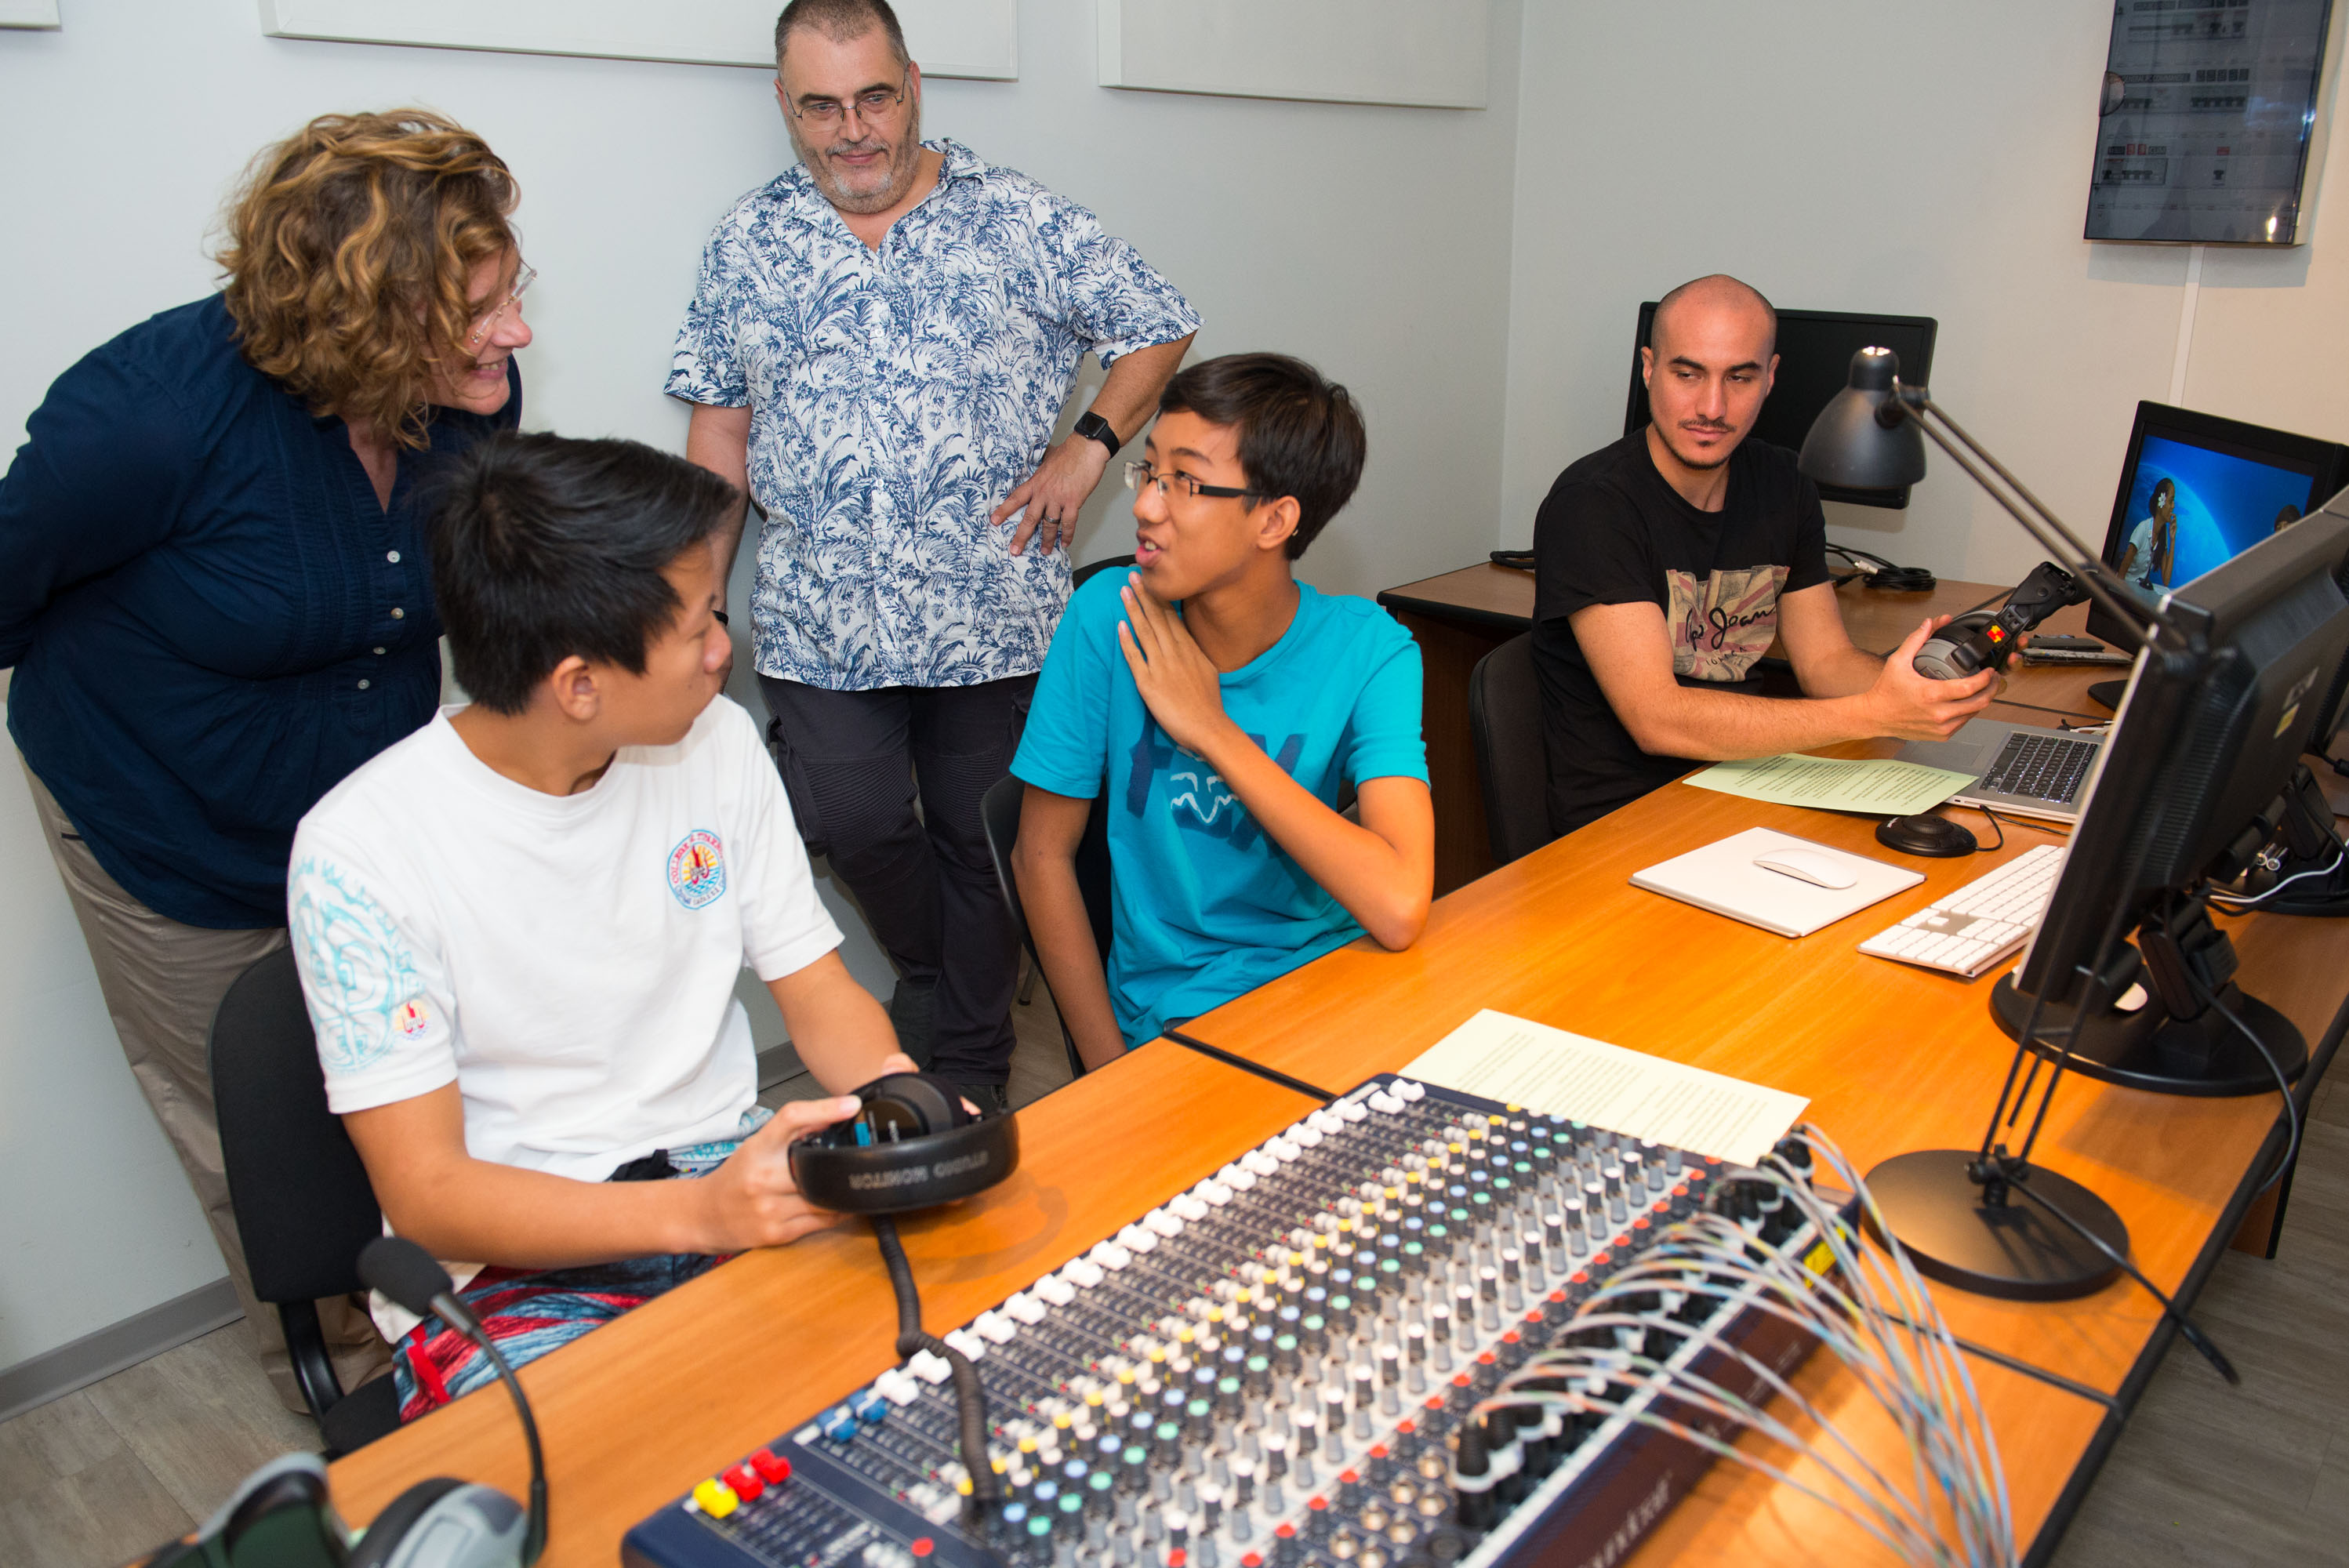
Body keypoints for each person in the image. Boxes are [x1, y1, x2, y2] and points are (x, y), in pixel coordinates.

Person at [0, 109, 533, 1410]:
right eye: (478, 308)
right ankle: (363, 1391)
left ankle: (481, 1334)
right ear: (368, 314)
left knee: (424, 1080)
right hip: (166, 833)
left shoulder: (467, 396)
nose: (514, 334)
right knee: (264, 1133)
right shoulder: (140, 421)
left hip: (364, 824)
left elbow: (480, 575)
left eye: (514, 292)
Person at [288, 434, 915, 1420]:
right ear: (579, 684)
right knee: (632, 1463)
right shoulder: (360, 850)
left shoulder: (715, 740)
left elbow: (818, 991)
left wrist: (897, 1099)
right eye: (701, 626)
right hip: (512, 1260)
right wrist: (698, 1216)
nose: (726, 649)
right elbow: (428, 1192)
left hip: (726, 1167)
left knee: (937, 1357)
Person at [668, 0, 1200, 1109]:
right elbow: (718, 429)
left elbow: (1159, 319)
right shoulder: (748, 240)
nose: (851, 129)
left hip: (994, 610)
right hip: (821, 618)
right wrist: (701, 603)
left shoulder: (1016, 216)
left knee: (983, 843)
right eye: (821, 105)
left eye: (873, 97)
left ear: (913, 85)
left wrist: (1088, 450)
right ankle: (940, 971)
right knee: (847, 817)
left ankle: (967, 1064)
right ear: (786, 107)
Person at [1009, 354, 1433, 1067]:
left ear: (1275, 520)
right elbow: (1040, 855)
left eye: (1187, 483)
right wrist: (1108, 1077)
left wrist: (1212, 729)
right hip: (1186, 1019)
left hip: (1351, 990)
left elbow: (1396, 908)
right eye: (1148, 472)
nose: (1146, 506)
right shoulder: (1103, 622)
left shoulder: (1371, 651)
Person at [1530, 274, 2000, 839]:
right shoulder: (1593, 506)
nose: (1712, 406)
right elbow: (1658, 719)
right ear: (1649, 368)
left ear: (1771, 377)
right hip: (1623, 824)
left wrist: (1918, 688)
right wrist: (1876, 712)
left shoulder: (1784, 482)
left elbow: (1825, 662)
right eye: (1688, 373)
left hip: (1747, 792)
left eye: (1740, 377)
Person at [2120, 477, 2178, 590]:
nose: (2173, 506)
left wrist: (2173, 539)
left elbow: (2166, 581)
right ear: (2160, 503)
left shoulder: (2163, 535)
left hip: (2139, 592)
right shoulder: (2143, 529)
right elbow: (2122, 571)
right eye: (2171, 501)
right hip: (2126, 589)